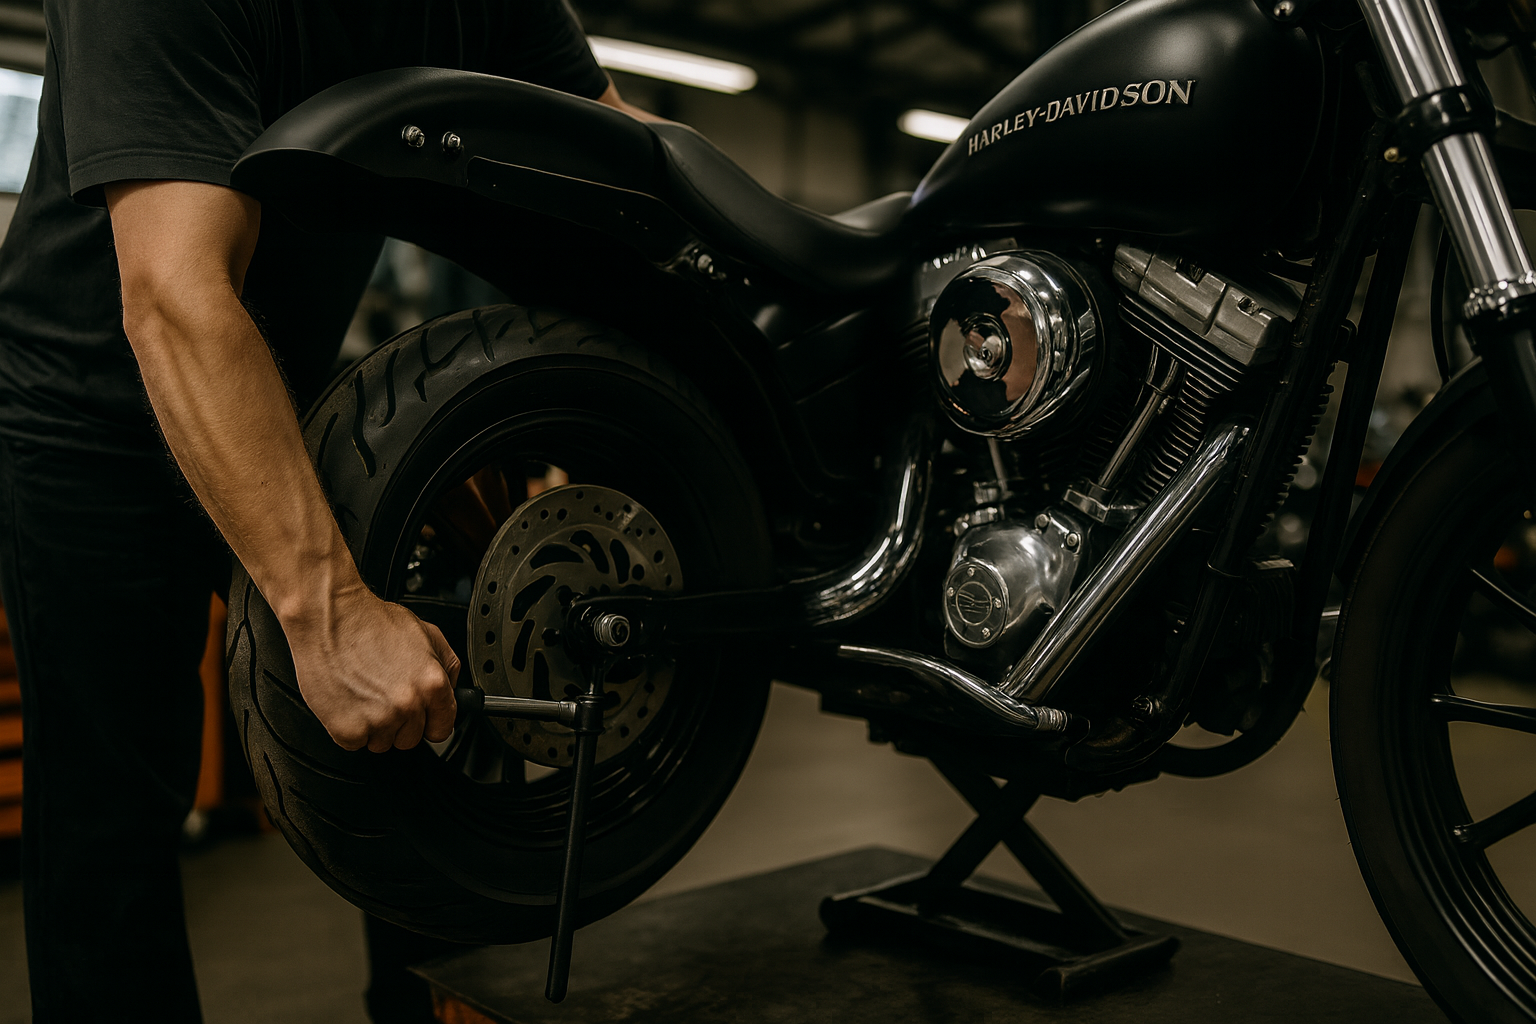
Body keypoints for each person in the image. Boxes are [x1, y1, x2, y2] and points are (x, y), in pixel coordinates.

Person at [0, 2, 657, 1021]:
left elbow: (631, 174)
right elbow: (174, 296)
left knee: (411, 744)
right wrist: (330, 610)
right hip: (89, 411)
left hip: (284, 387)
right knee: (112, 816)